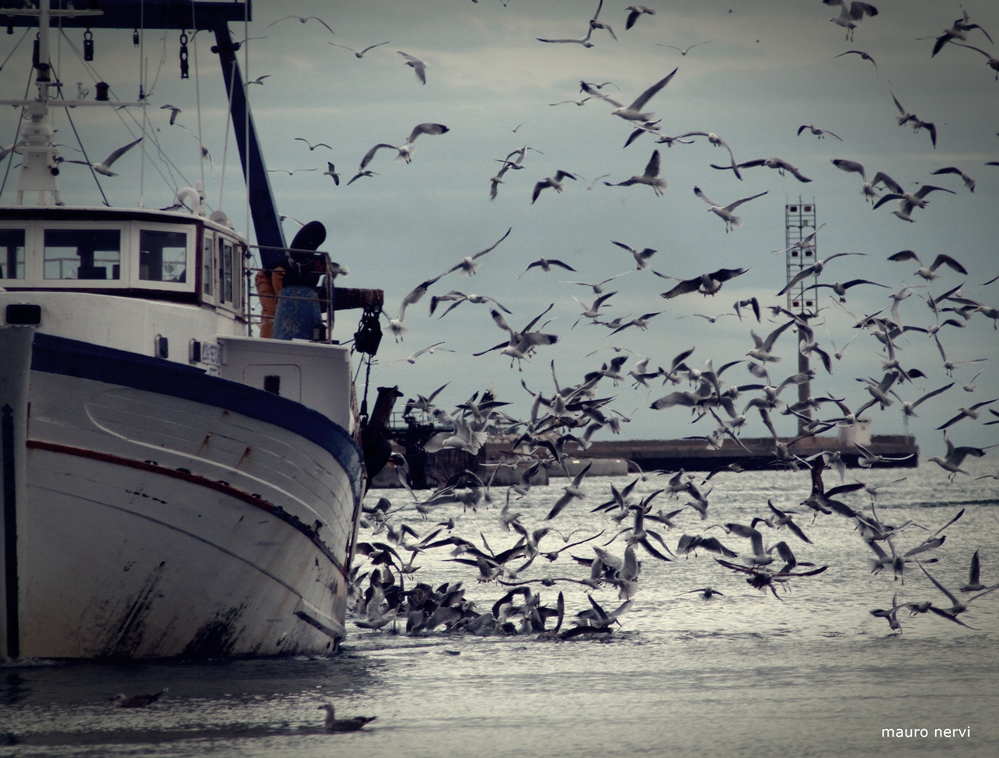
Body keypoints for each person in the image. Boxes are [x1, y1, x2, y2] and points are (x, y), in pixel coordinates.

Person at [271, 221, 326, 341]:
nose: (321, 273)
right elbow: (277, 274)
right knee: (271, 313)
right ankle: (266, 341)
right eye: (322, 270)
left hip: (284, 282)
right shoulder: (302, 263)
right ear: (318, 263)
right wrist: (280, 297)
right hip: (268, 277)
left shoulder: (313, 274)